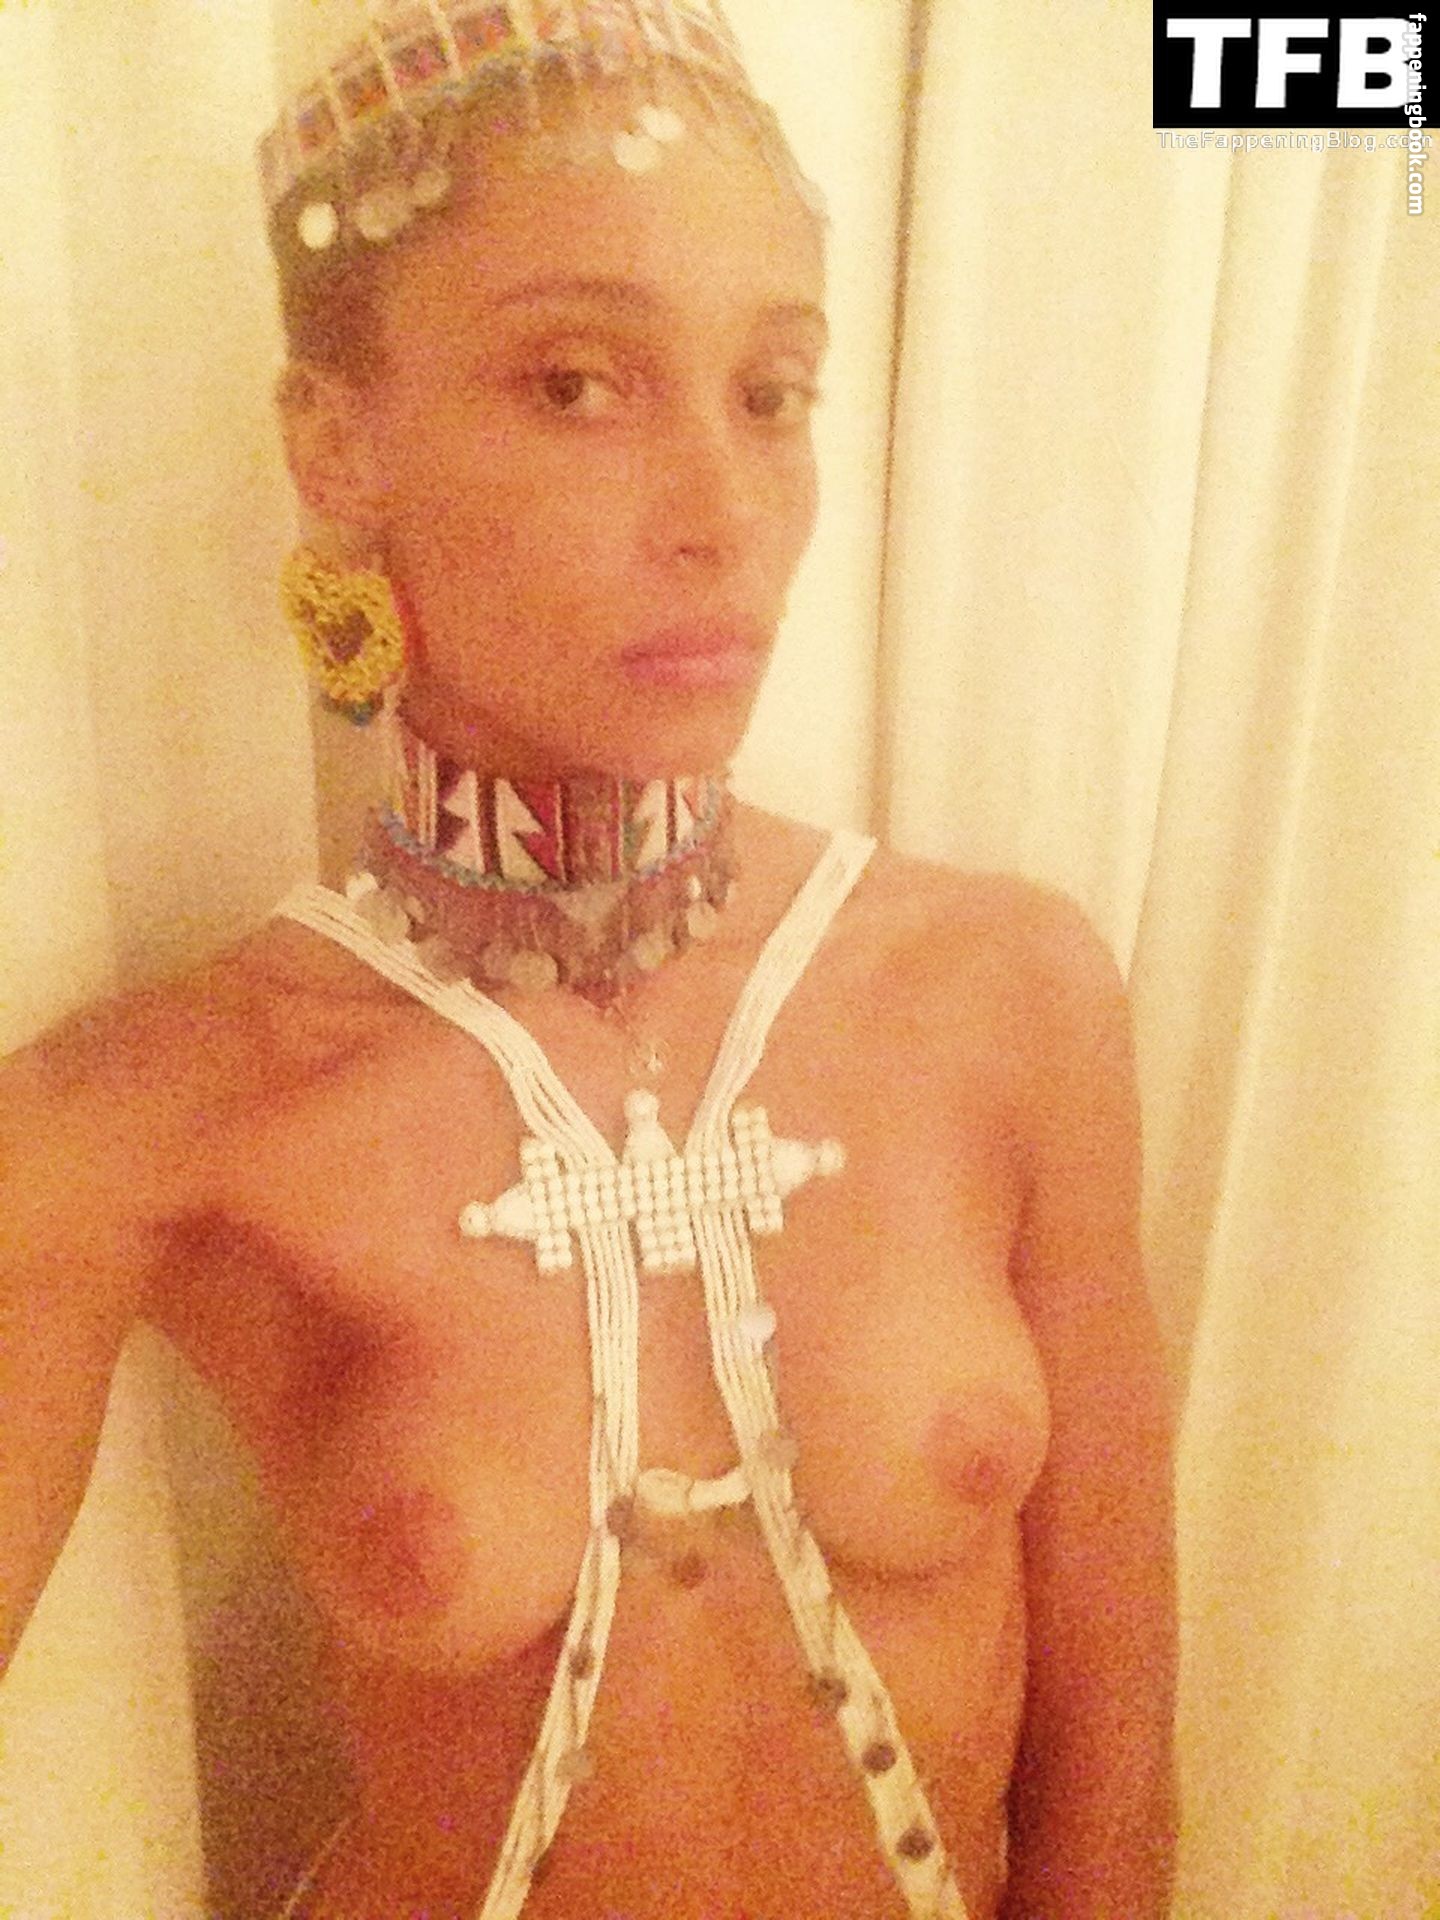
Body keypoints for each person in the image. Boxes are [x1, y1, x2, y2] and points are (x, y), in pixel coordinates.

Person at [0, 3, 1178, 1915]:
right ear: (337, 444)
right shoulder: (158, 1114)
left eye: (772, 393)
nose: (724, 516)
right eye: (576, 384)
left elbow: (1114, 1785)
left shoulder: (1009, 997)